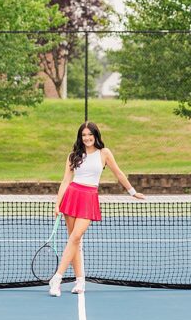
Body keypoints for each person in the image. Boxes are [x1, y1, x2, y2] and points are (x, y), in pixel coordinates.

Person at [49, 121, 145, 297]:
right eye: (83, 135)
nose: (86, 138)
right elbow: (65, 181)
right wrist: (57, 203)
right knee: (74, 241)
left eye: (89, 135)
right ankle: (80, 281)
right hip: (71, 196)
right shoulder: (73, 156)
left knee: (76, 236)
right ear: (80, 137)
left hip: (89, 198)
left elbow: (119, 173)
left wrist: (132, 192)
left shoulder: (104, 153)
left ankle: (57, 278)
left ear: (96, 135)